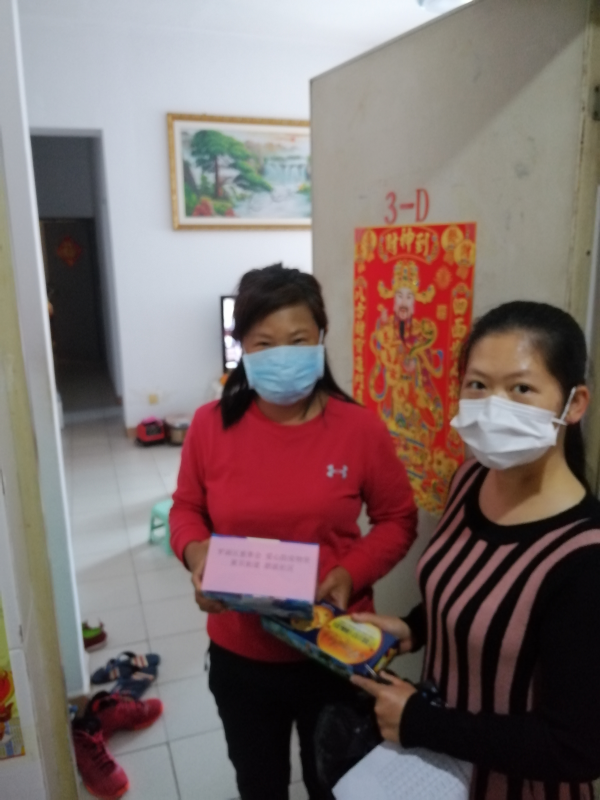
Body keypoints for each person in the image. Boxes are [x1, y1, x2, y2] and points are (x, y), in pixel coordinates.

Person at [169, 265, 418, 800]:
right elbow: (186, 508)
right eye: (264, 342)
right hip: (241, 654)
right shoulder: (210, 425)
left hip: (335, 648)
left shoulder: (359, 428)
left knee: (335, 785)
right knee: (259, 784)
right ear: (242, 347)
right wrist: (196, 554)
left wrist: (349, 573)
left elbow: (398, 519)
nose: (282, 354)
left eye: (298, 339)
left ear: (321, 338)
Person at [352, 300, 600, 800]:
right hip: (438, 776)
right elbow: (479, 585)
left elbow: (576, 748)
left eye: (521, 389)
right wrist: (414, 627)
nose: (492, 406)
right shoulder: (469, 481)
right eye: (478, 385)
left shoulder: (584, 556)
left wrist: (420, 723)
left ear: (574, 404)